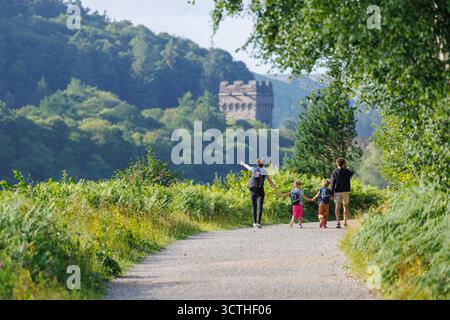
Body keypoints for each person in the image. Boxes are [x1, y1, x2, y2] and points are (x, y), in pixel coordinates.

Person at [240, 159, 278, 229]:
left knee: (254, 207)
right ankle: (258, 223)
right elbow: (270, 182)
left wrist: (242, 163)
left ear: (257, 164)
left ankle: (254, 223)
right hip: (260, 190)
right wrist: (276, 189)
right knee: (260, 207)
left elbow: (247, 166)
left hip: (253, 189)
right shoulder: (264, 171)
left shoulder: (254, 169)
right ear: (263, 164)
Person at [330, 158, 354, 228]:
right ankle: (345, 222)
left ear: (337, 164)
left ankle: (338, 222)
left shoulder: (334, 172)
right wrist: (348, 168)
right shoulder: (347, 171)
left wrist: (331, 193)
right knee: (345, 206)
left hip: (337, 191)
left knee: (337, 206)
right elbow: (352, 173)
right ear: (343, 164)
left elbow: (332, 183)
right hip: (345, 191)